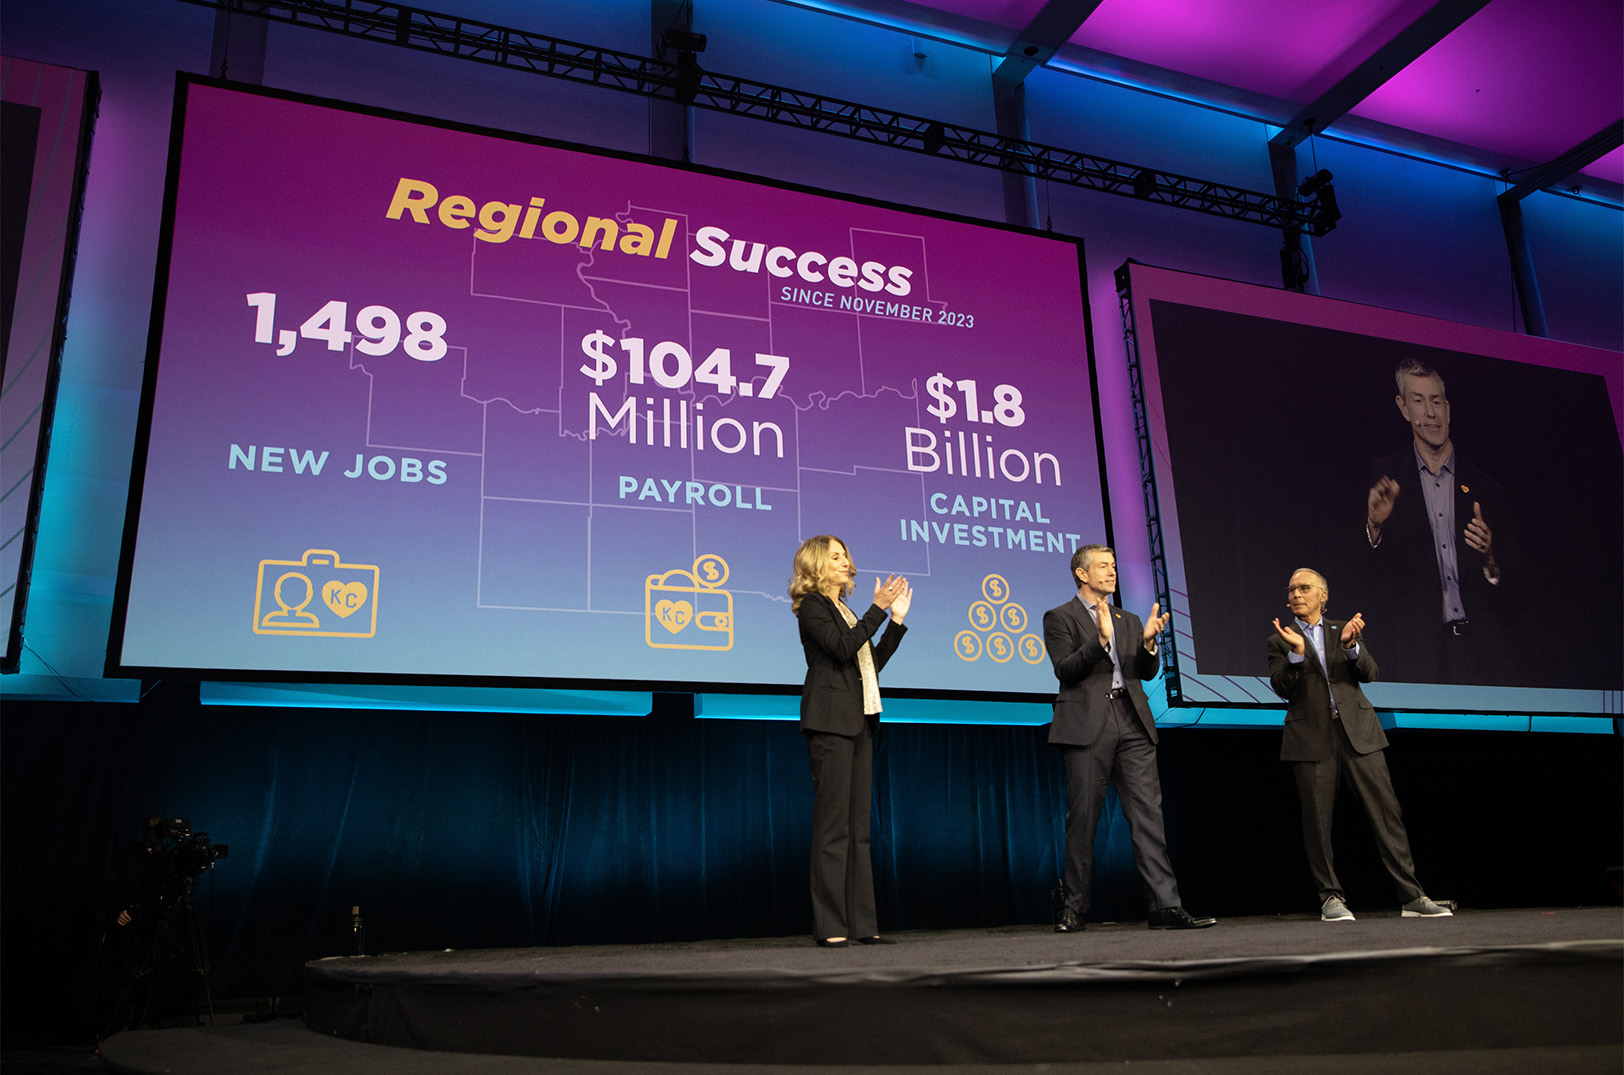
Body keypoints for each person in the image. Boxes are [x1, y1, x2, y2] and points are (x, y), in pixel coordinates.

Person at [1042, 544, 1213, 932]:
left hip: (1132, 721)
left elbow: (1145, 672)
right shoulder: (1060, 616)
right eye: (1103, 566)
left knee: (1147, 816)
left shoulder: (1129, 618)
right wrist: (1100, 641)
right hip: (1087, 724)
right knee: (1083, 818)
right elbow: (1065, 669)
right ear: (1081, 574)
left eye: (1114, 565)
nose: (1112, 571)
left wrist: (1149, 643)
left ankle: (1165, 906)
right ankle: (1074, 908)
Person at [1267, 568, 1452, 921]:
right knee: (1317, 823)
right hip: (1311, 738)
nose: (1296, 594)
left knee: (1387, 815)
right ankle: (1330, 899)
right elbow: (1282, 688)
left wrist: (1350, 647)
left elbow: (1369, 673)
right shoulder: (1280, 639)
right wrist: (1296, 655)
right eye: (1291, 590)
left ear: (1323, 595)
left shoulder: (1344, 630)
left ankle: (1412, 897)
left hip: (1360, 735)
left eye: (1304, 588)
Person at [789, 535, 912, 948]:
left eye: (845, 556)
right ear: (817, 565)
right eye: (836, 557)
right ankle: (831, 926)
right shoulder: (813, 607)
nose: (846, 562)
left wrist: (895, 621)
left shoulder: (845, 609)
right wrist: (877, 610)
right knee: (833, 829)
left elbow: (869, 664)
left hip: (859, 722)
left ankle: (863, 924)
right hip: (830, 723)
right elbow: (842, 649)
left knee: (859, 830)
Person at [1364, 358, 1515, 684]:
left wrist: (1489, 557)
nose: (1430, 413)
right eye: (1419, 401)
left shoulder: (1486, 487)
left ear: (1448, 409)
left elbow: (1519, 591)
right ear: (1404, 408)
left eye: (1436, 401)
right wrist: (1375, 526)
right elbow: (1368, 577)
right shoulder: (1385, 477)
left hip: (1481, 656)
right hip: (1417, 657)